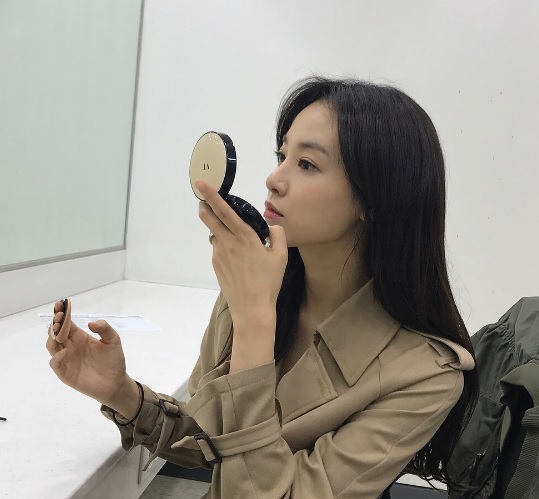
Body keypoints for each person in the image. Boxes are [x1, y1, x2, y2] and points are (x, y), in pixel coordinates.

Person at [46, 76, 479, 498]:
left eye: (307, 164)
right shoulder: (257, 289)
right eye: (282, 155)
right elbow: (212, 442)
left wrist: (255, 322)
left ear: (373, 201)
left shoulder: (425, 375)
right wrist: (120, 392)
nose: (274, 179)